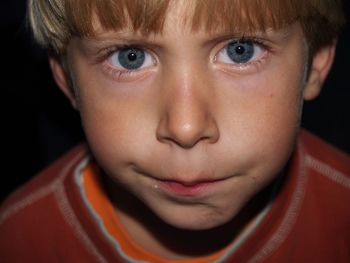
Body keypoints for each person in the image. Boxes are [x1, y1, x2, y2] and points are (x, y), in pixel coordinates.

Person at [1, 0, 349, 262]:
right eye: (130, 57)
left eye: (240, 51)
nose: (185, 127)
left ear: (315, 61)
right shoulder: (19, 237)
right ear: (67, 79)